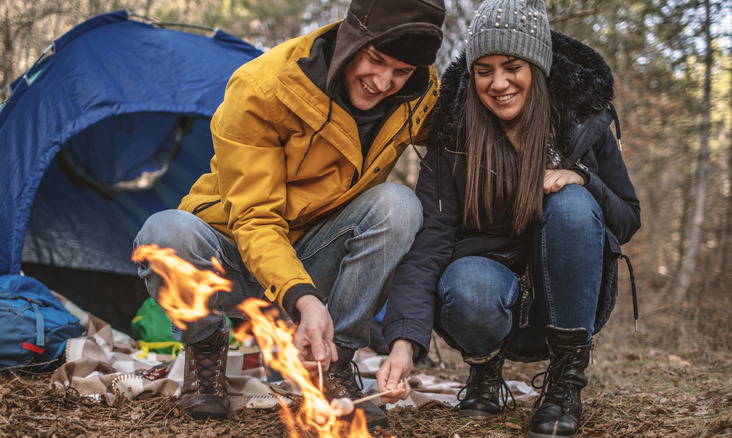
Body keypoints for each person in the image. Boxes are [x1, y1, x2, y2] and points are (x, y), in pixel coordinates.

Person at [133, 0, 445, 430]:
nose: (383, 83)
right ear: (351, 38)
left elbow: (472, 133)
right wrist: (304, 299)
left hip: (317, 254)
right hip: (234, 256)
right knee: (165, 233)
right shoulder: (262, 88)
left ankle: (335, 362)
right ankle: (205, 346)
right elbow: (255, 219)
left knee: (398, 204)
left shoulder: (419, 95)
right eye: (375, 60)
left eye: (401, 71)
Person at [375, 0, 640, 437]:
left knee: (573, 203)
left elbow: (627, 219)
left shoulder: (582, 123)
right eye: (484, 71)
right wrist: (403, 343)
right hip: (485, 291)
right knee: (470, 284)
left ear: (537, 66)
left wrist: (583, 178)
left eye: (512, 67)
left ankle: (565, 383)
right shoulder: (453, 135)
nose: (498, 83)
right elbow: (429, 243)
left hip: (565, 294)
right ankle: (484, 371)